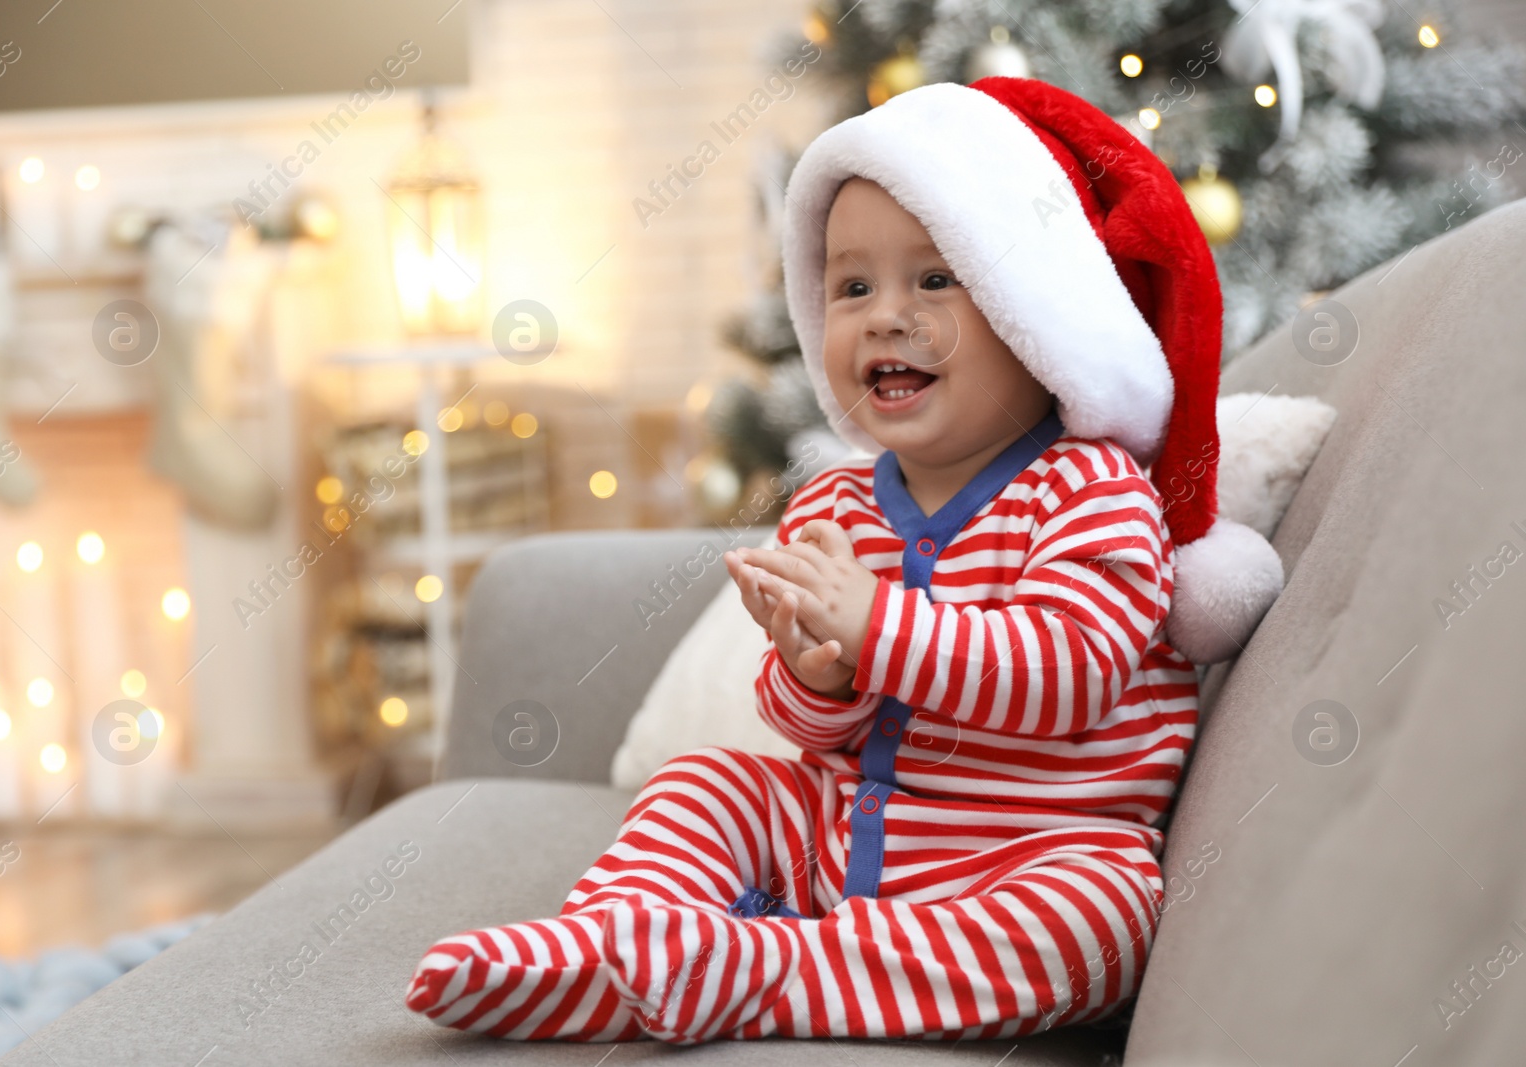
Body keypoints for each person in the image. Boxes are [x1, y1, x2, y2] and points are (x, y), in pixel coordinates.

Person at [404, 76, 1283, 1045]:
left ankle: (759, 970)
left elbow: (1067, 676)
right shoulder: (835, 502)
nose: (881, 315)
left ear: (1035, 310)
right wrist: (816, 672)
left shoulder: (1088, 489)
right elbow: (816, 732)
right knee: (712, 780)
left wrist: (874, 625)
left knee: (1101, 918)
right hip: (844, 838)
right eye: (851, 285)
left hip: (1024, 857)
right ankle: (610, 939)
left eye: (934, 279)